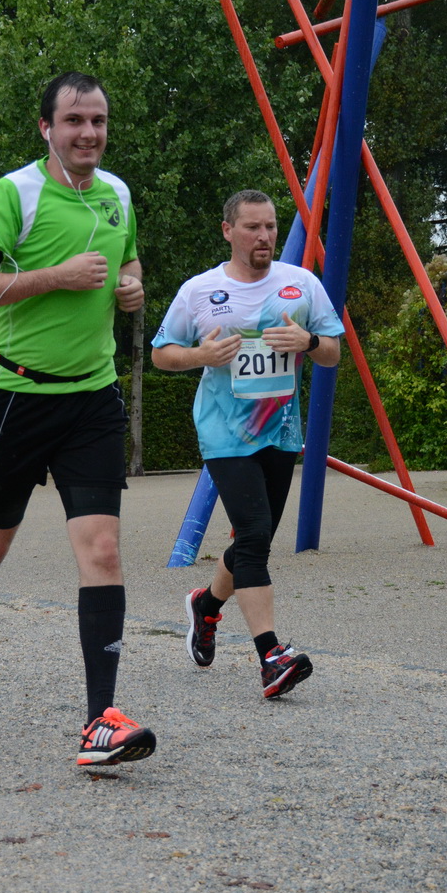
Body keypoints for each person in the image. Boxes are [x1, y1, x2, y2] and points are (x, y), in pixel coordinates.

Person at [0, 71, 155, 767]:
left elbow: (131, 268)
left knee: (103, 550)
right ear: (46, 128)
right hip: (12, 394)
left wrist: (131, 291)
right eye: (74, 121)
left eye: (98, 120)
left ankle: (101, 720)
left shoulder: (119, 193)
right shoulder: (13, 194)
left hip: (90, 395)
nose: (88, 133)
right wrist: (53, 276)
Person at [151, 189, 344, 698]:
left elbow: (332, 353)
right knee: (256, 534)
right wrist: (201, 355)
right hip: (224, 433)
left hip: (281, 432)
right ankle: (271, 656)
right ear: (228, 231)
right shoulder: (200, 291)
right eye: (253, 227)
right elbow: (161, 354)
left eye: (271, 227)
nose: (264, 237)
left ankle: (206, 607)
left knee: (251, 541)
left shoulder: (301, 284)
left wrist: (306, 342)